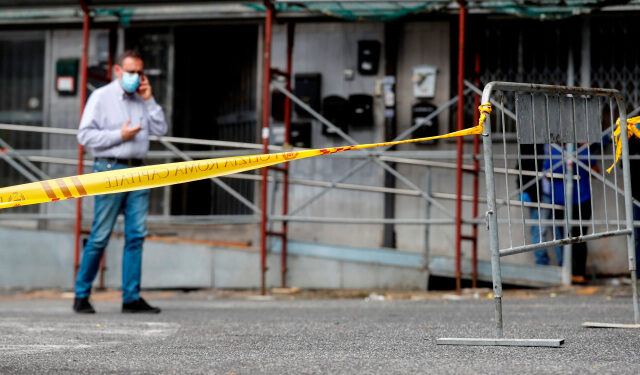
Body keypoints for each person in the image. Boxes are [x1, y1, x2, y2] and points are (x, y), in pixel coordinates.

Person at [73, 50, 168, 314]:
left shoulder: (142, 99)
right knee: (100, 235)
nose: (135, 77)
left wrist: (149, 101)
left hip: (138, 172)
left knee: (136, 236)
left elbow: (161, 131)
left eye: (139, 72)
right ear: (117, 71)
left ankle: (131, 298)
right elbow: (85, 136)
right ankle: (81, 295)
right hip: (109, 169)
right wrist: (120, 135)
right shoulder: (101, 97)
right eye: (130, 72)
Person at [543, 143, 598, 284]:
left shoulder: (553, 151)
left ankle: (569, 273)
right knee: (580, 237)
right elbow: (595, 171)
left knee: (565, 238)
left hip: (561, 201)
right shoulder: (583, 150)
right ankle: (579, 274)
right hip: (581, 199)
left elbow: (547, 175)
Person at [516, 144, 563, 266]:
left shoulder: (560, 143)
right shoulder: (530, 145)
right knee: (539, 229)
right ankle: (542, 262)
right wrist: (522, 190)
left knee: (559, 229)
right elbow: (521, 167)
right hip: (538, 194)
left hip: (558, 194)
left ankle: (565, 263)